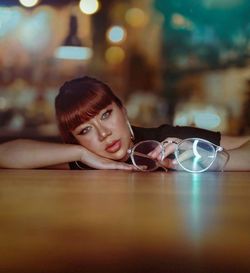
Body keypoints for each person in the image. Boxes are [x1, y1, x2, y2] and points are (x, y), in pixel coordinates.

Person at [0, 76, 249, 171]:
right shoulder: (81, 159)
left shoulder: (168, 138)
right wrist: (79, 153)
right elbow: (5, 154)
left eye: (106, 114)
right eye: (85, 130)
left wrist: (195, 156)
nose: (103, 133)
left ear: (123, 109)